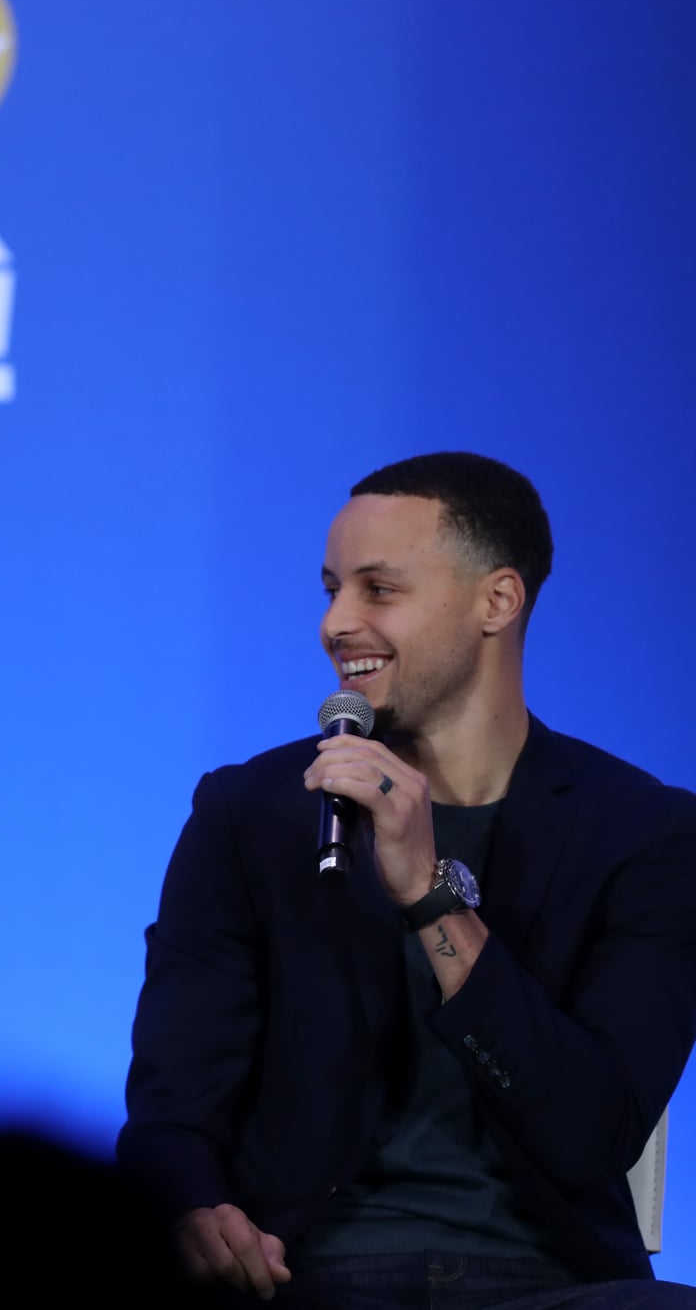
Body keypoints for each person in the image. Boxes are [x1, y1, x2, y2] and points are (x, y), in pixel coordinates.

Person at [119, 453, 696, 1308]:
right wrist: (195, 1209)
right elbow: (171, 1109)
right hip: (304, 1274)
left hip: (554, 1285)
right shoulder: (253, 813)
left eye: (378, 589)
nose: (337, 623)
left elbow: (592, 1132)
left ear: (496, 600)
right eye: (330, 589)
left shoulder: (644, 832)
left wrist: (430, 892)